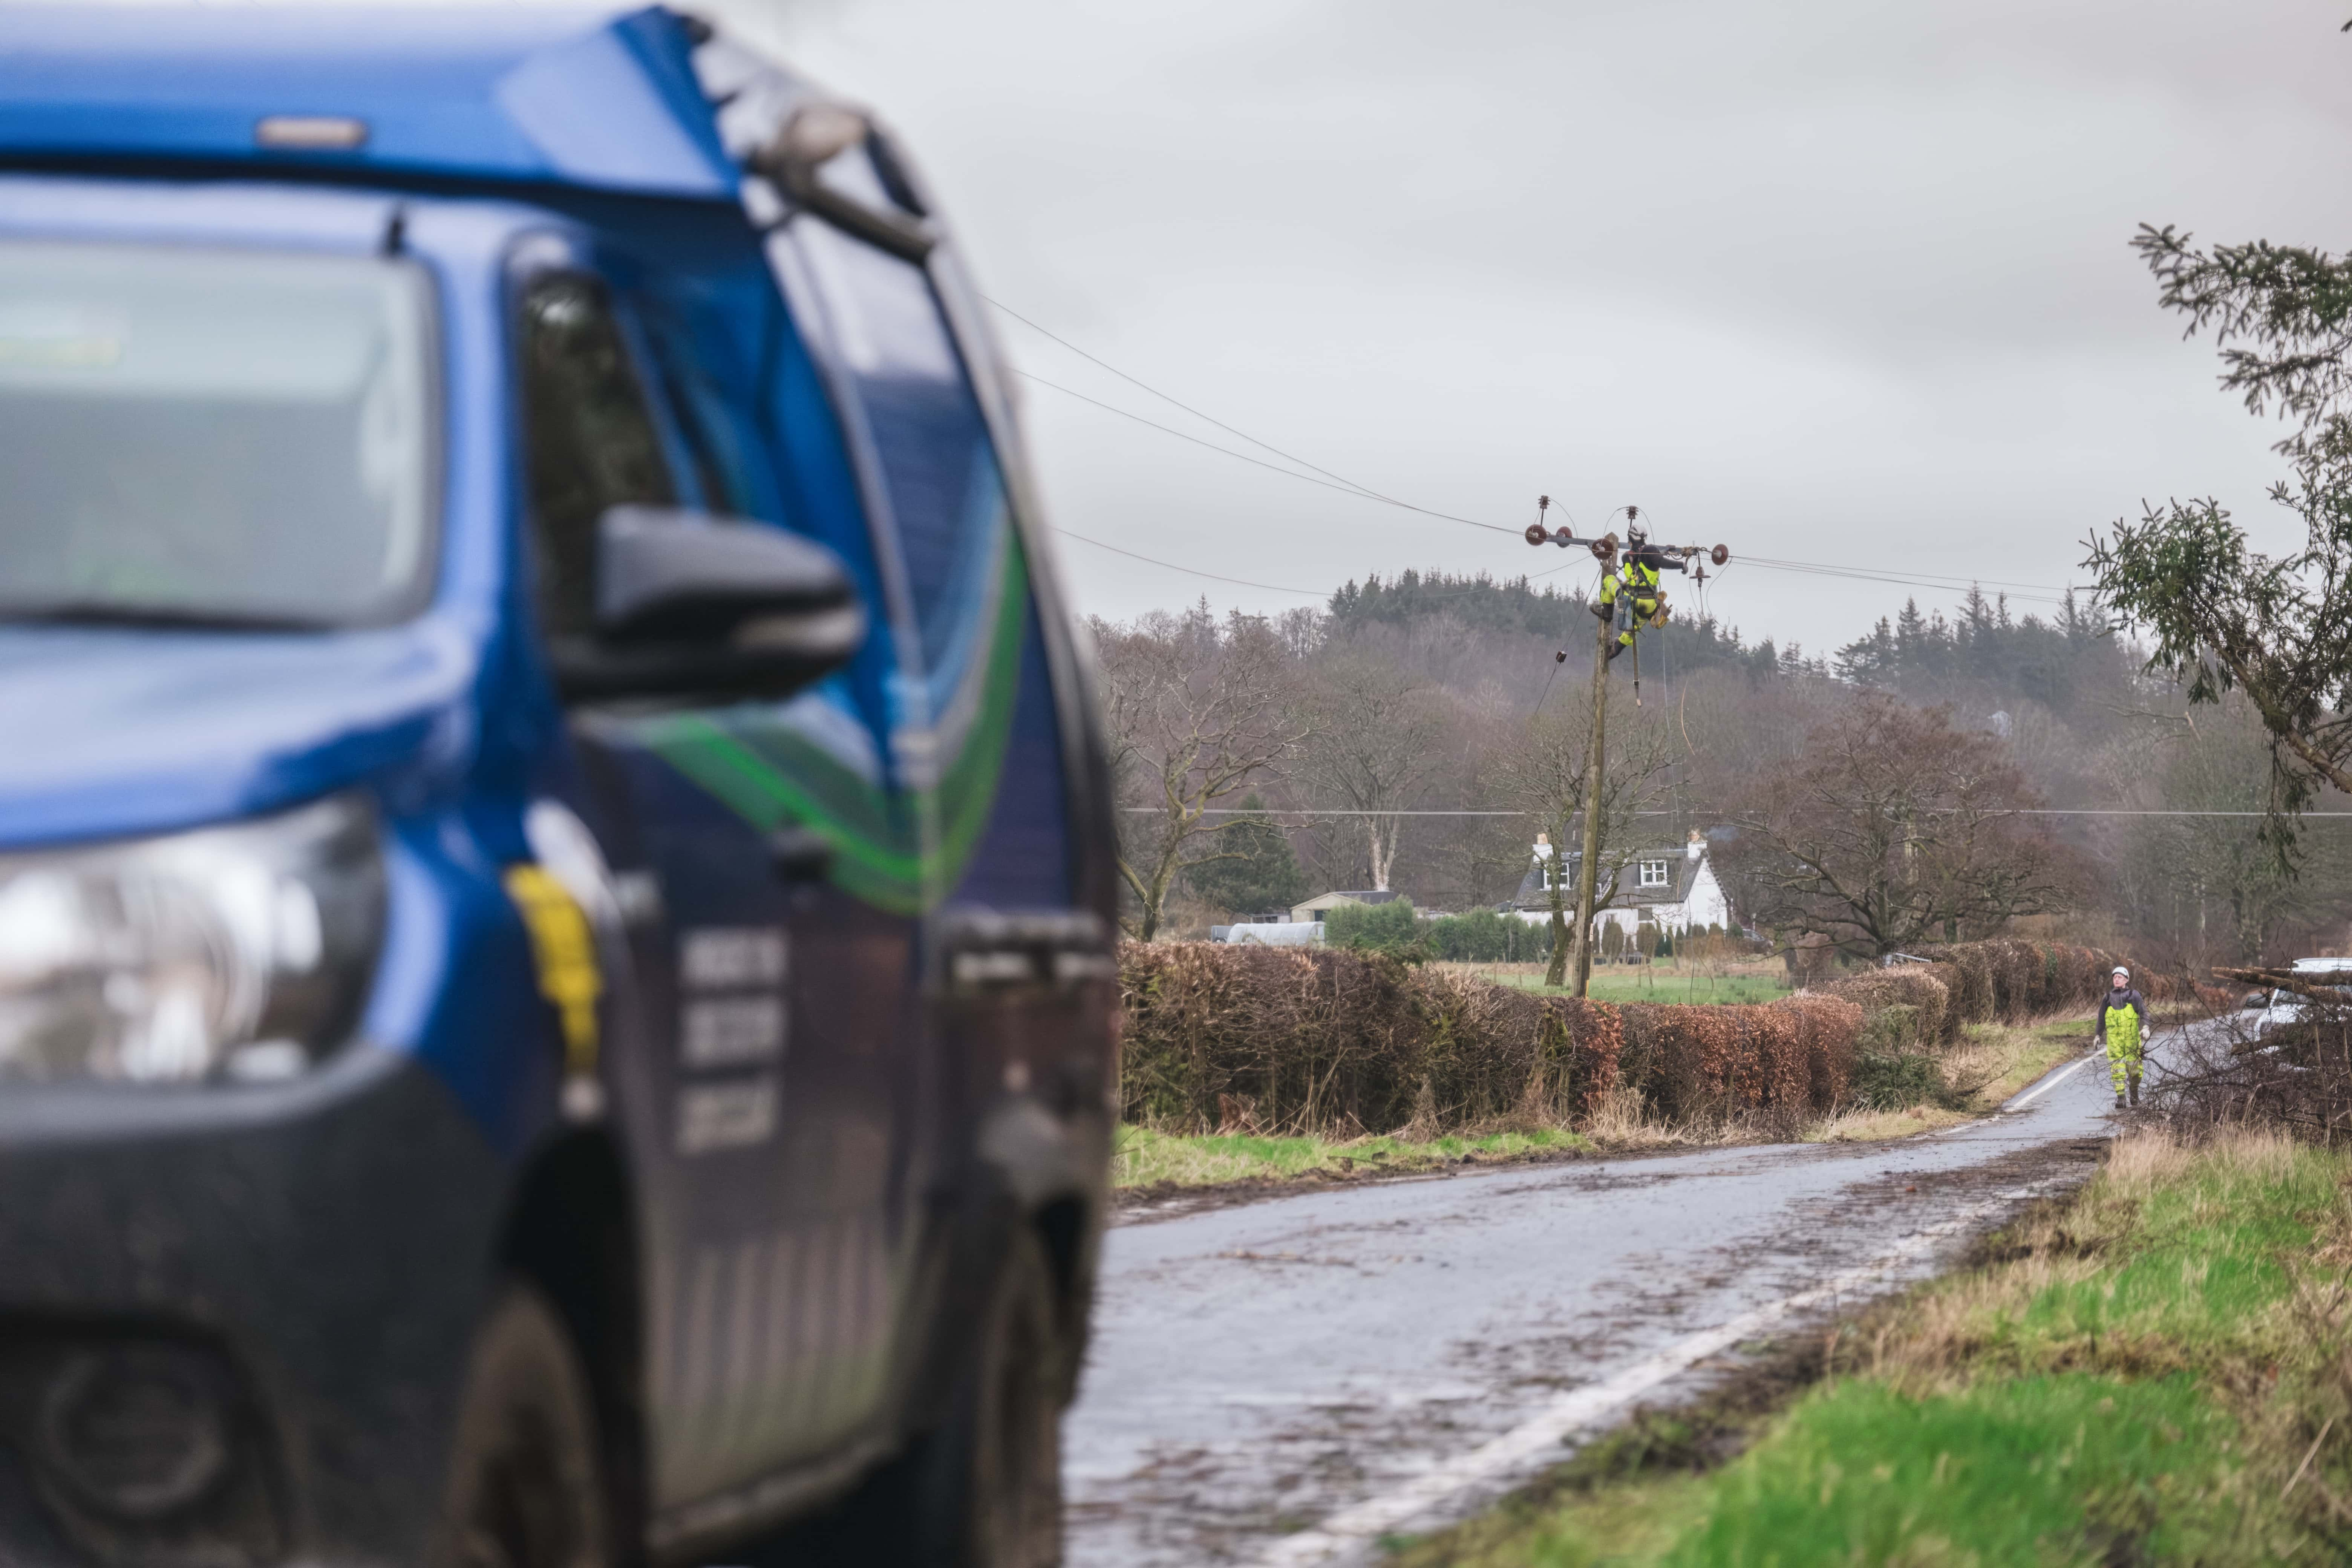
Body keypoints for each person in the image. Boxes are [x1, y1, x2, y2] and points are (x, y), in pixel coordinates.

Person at [1591, 521, 1668, 662]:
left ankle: (1606, 611)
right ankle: (1618, 647)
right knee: (1633, 627)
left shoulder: (1628, 557)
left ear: (1631, 540)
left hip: (1632, 600)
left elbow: (1630, 577)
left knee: (1609, 580)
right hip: (1651, 604)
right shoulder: (1652, 560)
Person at [2094, 965, 2149, 1109]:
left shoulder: (2134, 995)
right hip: (2115, 1041)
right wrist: (2098, 1035)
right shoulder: (2107, 998)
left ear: (2126, 979)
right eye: (2114, 977)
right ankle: (2121, 1098)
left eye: (2120, 977)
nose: (2116, 979)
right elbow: (2101, 1018)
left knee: (2135, 1070)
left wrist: (2145, 1027)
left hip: (2132, 1039)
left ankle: (2134, 1094)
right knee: (2117, 1070)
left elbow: (2143, 1013)